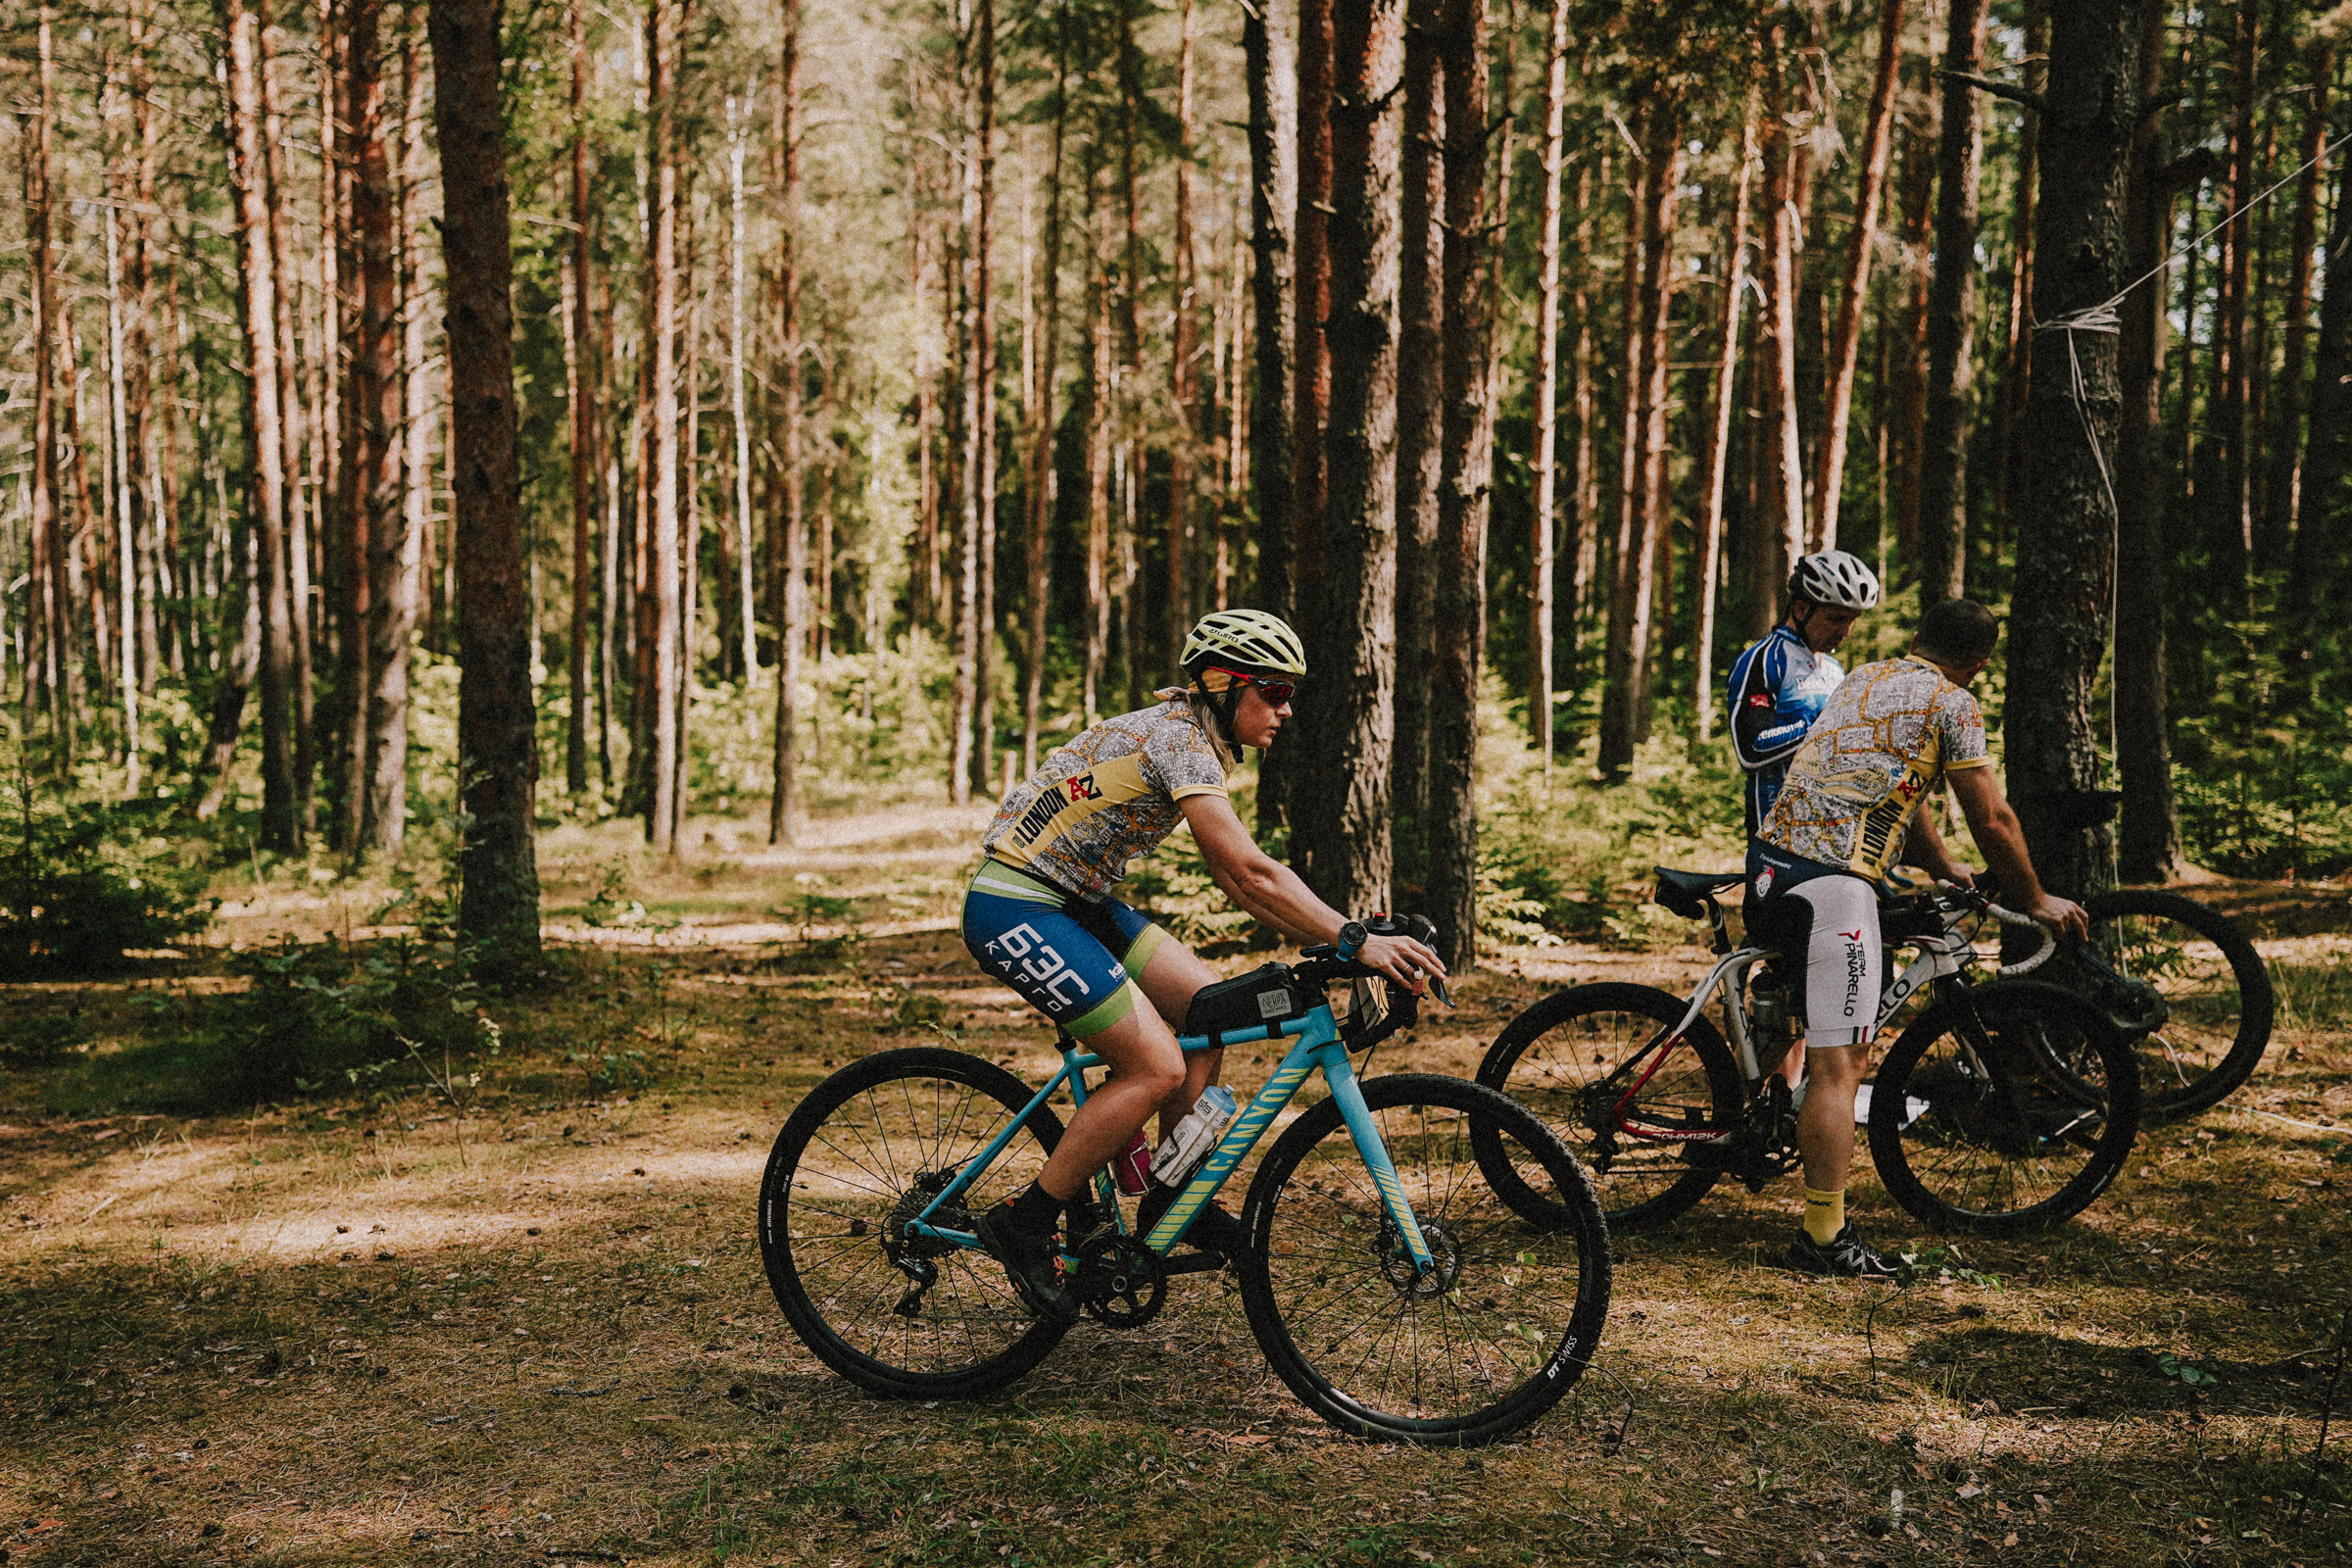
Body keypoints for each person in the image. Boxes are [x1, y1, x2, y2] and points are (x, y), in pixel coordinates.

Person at [959, 608, 1446, 1324]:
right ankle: (1024, 1221)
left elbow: (1241, 882)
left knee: (1210, 1011)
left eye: (1290, 694)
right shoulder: (1182, 741)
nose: (1286, 709)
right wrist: (1353, 940)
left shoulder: (1196, 736)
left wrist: (1341, 938)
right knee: (1154, 1068)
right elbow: (1249, 871)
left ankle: (1168, 1193)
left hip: (1076, 900)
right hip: (1016, 903)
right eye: (1274, 692)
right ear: (1223, 685)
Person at [1746, 597, 2089, 1279]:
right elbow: (1992, 818)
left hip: (1771, 872)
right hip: (1831, 887)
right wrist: (2035, 898)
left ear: (1917, 638)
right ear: (1980, 665)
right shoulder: (1954, 704)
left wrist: (1938, 867)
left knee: (1823, 1032)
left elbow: (1900, 792)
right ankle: (1821, 1239)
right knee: (1838, 1066)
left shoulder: (1864, 677)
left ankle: (1762, 1124)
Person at [1728, 550, 1884, 837]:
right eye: (1836, 619)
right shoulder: (1764, 660)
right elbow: (1750, 750)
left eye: (1852, 620)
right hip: (1777, 831)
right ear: (1801, 609)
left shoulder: (1834, 669)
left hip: (1830, 828)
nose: (1845, 632)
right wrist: (1823, 729)